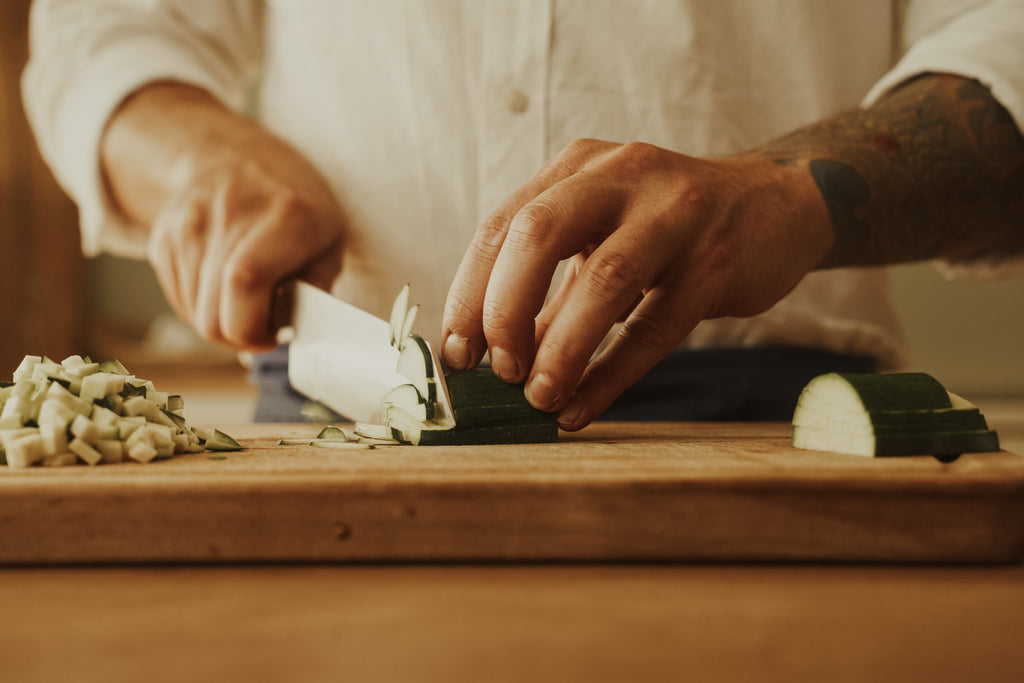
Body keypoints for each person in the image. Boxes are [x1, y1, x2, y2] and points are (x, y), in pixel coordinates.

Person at [23, 1, 1024, 427]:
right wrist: (199, 157)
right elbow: (108, 29)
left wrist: (785, 189)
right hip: (337, 407)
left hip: (773, 427)